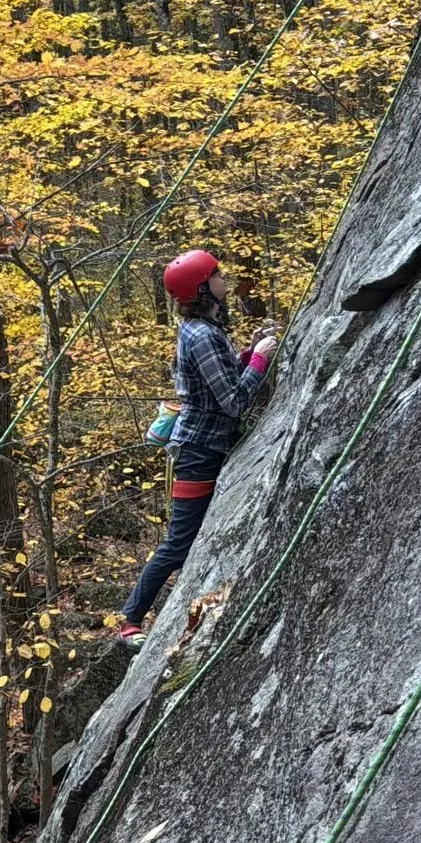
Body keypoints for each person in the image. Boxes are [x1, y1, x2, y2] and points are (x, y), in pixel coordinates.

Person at [118, 250, 277, 644]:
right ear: (203, 288)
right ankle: (129, 622)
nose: (225, 279)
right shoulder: (203, 335)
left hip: (202, 447)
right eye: (217, 275)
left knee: (185, 541)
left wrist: (245, 353)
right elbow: (234, 401)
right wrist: (257, 361)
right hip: (197, 453)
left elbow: (215, 379)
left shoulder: (201, 330)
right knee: (179, 542)